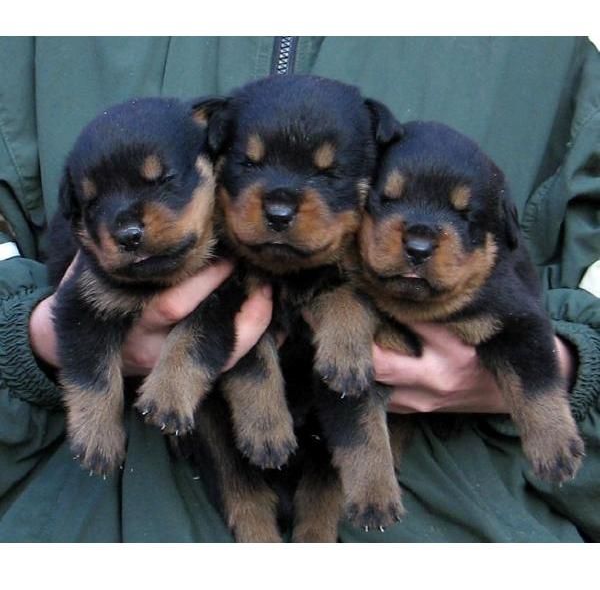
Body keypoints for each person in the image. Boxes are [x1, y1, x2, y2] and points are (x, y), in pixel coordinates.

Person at [0, 37, 598, 542]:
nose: (281, 203)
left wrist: (565, 368)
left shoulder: (553, 49)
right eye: (248, 165)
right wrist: (26, 340)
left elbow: (557, 289)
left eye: (332, 174)